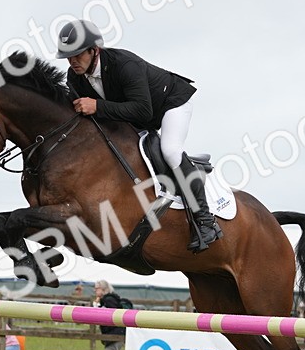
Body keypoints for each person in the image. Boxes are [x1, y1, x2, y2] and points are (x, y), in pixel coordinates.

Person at [56, 18, 222, 252]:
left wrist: (98, 106)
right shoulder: (74, 78)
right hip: (136, 117)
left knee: (170, 150)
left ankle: (205, 221)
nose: (72, 61)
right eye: (67, 56)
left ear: (94, 51)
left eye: (77, 54)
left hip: (170, 104)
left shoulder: (124, 64)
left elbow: (143, 110)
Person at [93, 279, 126, 350]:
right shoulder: (106, 300)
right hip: (113, 332)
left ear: (103, 289)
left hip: (115, 332)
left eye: (97, 288)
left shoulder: (109, 300)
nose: (95, 290)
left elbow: (113, 316)